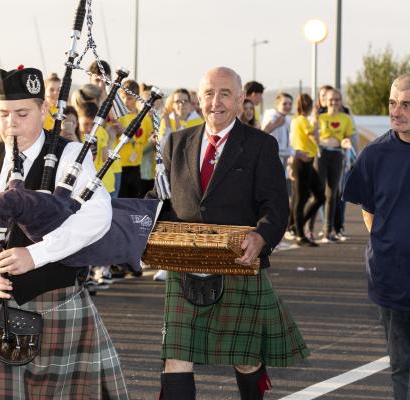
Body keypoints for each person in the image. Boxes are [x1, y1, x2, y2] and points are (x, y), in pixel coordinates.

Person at [0, 66, 128, 399]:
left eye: (22, 113)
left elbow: (97, 215)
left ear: (44, 110)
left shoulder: (71, 155)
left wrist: (36, 254)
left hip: (58, 299)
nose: (11, 123)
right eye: (3, 113)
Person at [150, 67, 309, 400]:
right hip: (185, 265)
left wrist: (262, 236)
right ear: (198, 99)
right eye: (209, 93)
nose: (216, 101)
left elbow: (276, 206)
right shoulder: (175, 143)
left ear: (240, 100)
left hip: (238, 261)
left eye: (225, 94)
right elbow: (159, 201)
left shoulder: (260, 146)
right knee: (177, 357)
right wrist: (136, 225)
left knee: (246, 359)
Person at [343, 73, 410, 400]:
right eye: (392, 103)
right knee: (401, 367)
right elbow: (368, 208)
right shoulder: (375, 155)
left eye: (406, 104)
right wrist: (387, 244)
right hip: (388, 280)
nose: (396, 112)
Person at [315, 88, 354, 242]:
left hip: (337, 155)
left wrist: (346, 142)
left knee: (332, 194)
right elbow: (313, 138)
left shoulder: (346, 118)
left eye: (337, 99)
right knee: (317, 192)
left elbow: (347, 138)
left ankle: (327, 231)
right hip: (321, 155)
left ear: (341, 101)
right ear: (325, 101)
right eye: (331, 99)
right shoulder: (319, 117)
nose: (334, 102)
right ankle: (305, 229)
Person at [289, 94, 324, 246]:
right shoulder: (302, 120)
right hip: (302, 162)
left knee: (318, 196)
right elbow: (315, 137)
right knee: (301, 198)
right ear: (310, 107)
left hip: (306, 162)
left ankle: (296, 226)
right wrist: (315, 120)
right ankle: (299, 233)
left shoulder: (297, 120)